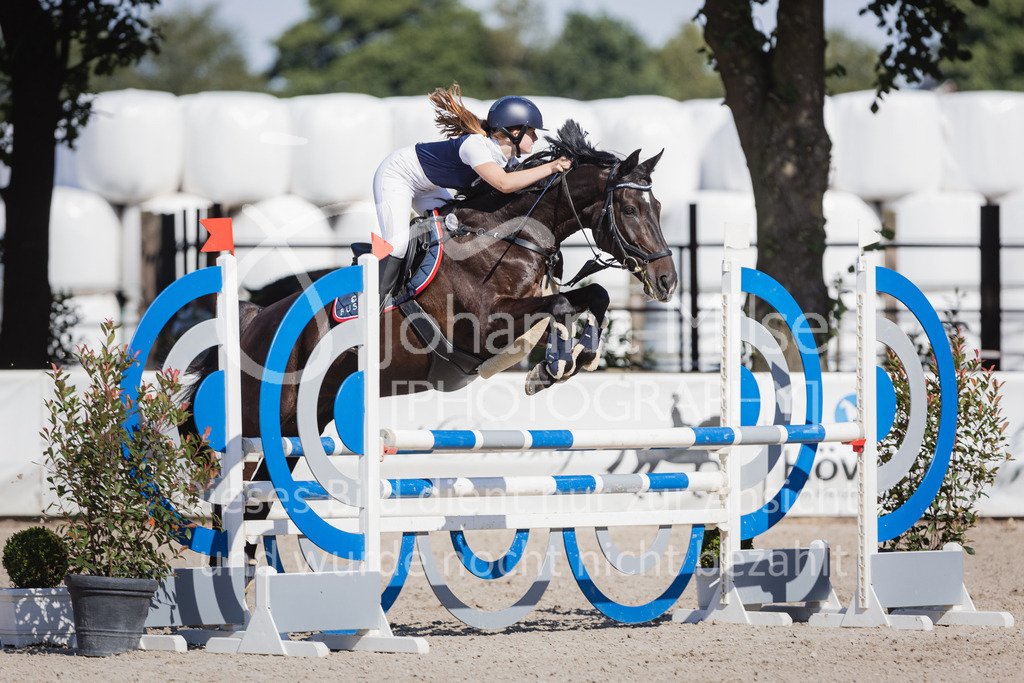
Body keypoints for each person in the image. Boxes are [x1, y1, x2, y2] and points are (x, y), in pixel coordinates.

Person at [372, 83, 572, 300]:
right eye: (531, 132)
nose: (535, 139)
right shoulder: (476, 145)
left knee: (453, 232)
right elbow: (504, 184)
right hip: (398, 175)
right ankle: (374, 303)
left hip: (428, 187)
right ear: (516, 132)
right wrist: (550, 167)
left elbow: (519, 184)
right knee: (398, 246)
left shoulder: (506, 159)